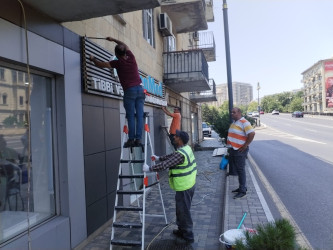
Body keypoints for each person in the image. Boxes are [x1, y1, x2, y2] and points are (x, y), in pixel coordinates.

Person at [89, 37, 145, 148]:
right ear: (125, 52)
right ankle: (138, 139)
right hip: (140, 89)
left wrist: (93, 59)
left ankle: (131, 139)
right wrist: (113, 39)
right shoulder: (131, 57)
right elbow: (124, 44)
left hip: (130, 91)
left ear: (117, 54)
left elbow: (101, 65)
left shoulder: (118, 63)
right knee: (139, 115)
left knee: (130, 116)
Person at [143, 130, 196, 245]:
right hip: (188, 184)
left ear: (180, 139)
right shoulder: (186, 149)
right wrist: (158, 158)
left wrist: (149, 169)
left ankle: (188, 236)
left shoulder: (180, 154)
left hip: (184, 187)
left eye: (176, 136)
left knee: (184, 211)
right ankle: (182, 230)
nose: (174, 137)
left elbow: (166, 165)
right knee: (180, 210)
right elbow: (171, 157)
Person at [227, 107, 255, 199]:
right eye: (231, 112)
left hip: (240, 150)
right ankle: (241, 187)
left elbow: (252, 133)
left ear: (239, 113)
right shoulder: (235, 122)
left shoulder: (244, 122)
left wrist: (245, 145)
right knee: (239, 170)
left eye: (234, 112)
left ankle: (243, 190)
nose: (232, 114)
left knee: (240, 170)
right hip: (234, 149)